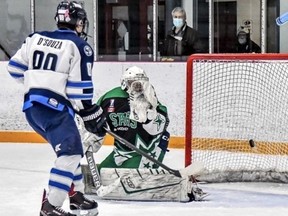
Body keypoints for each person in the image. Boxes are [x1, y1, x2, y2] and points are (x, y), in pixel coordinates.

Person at [6, 1, 106, 215]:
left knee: (73, 148)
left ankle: (76, 194)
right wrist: (91, 113)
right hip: (54, 110)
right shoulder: (79, 46)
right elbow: (80, 91)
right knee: (69, 154)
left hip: (33, 109)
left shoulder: (35, 38)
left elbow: (14, 68)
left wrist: (38, 83)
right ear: (79, 22)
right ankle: (51, 205)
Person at [77, 66, 207, 202]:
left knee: (129, 182)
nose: (136, 86)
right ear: (123, 82)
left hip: (147, 150)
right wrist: (90, 136)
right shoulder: (110, 98)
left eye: (139, 83)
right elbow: (95, 121)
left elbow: (161, 126)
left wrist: (149, 117)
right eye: (131, 82)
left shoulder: (149, 97)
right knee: (99, 176)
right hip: (121, 152)